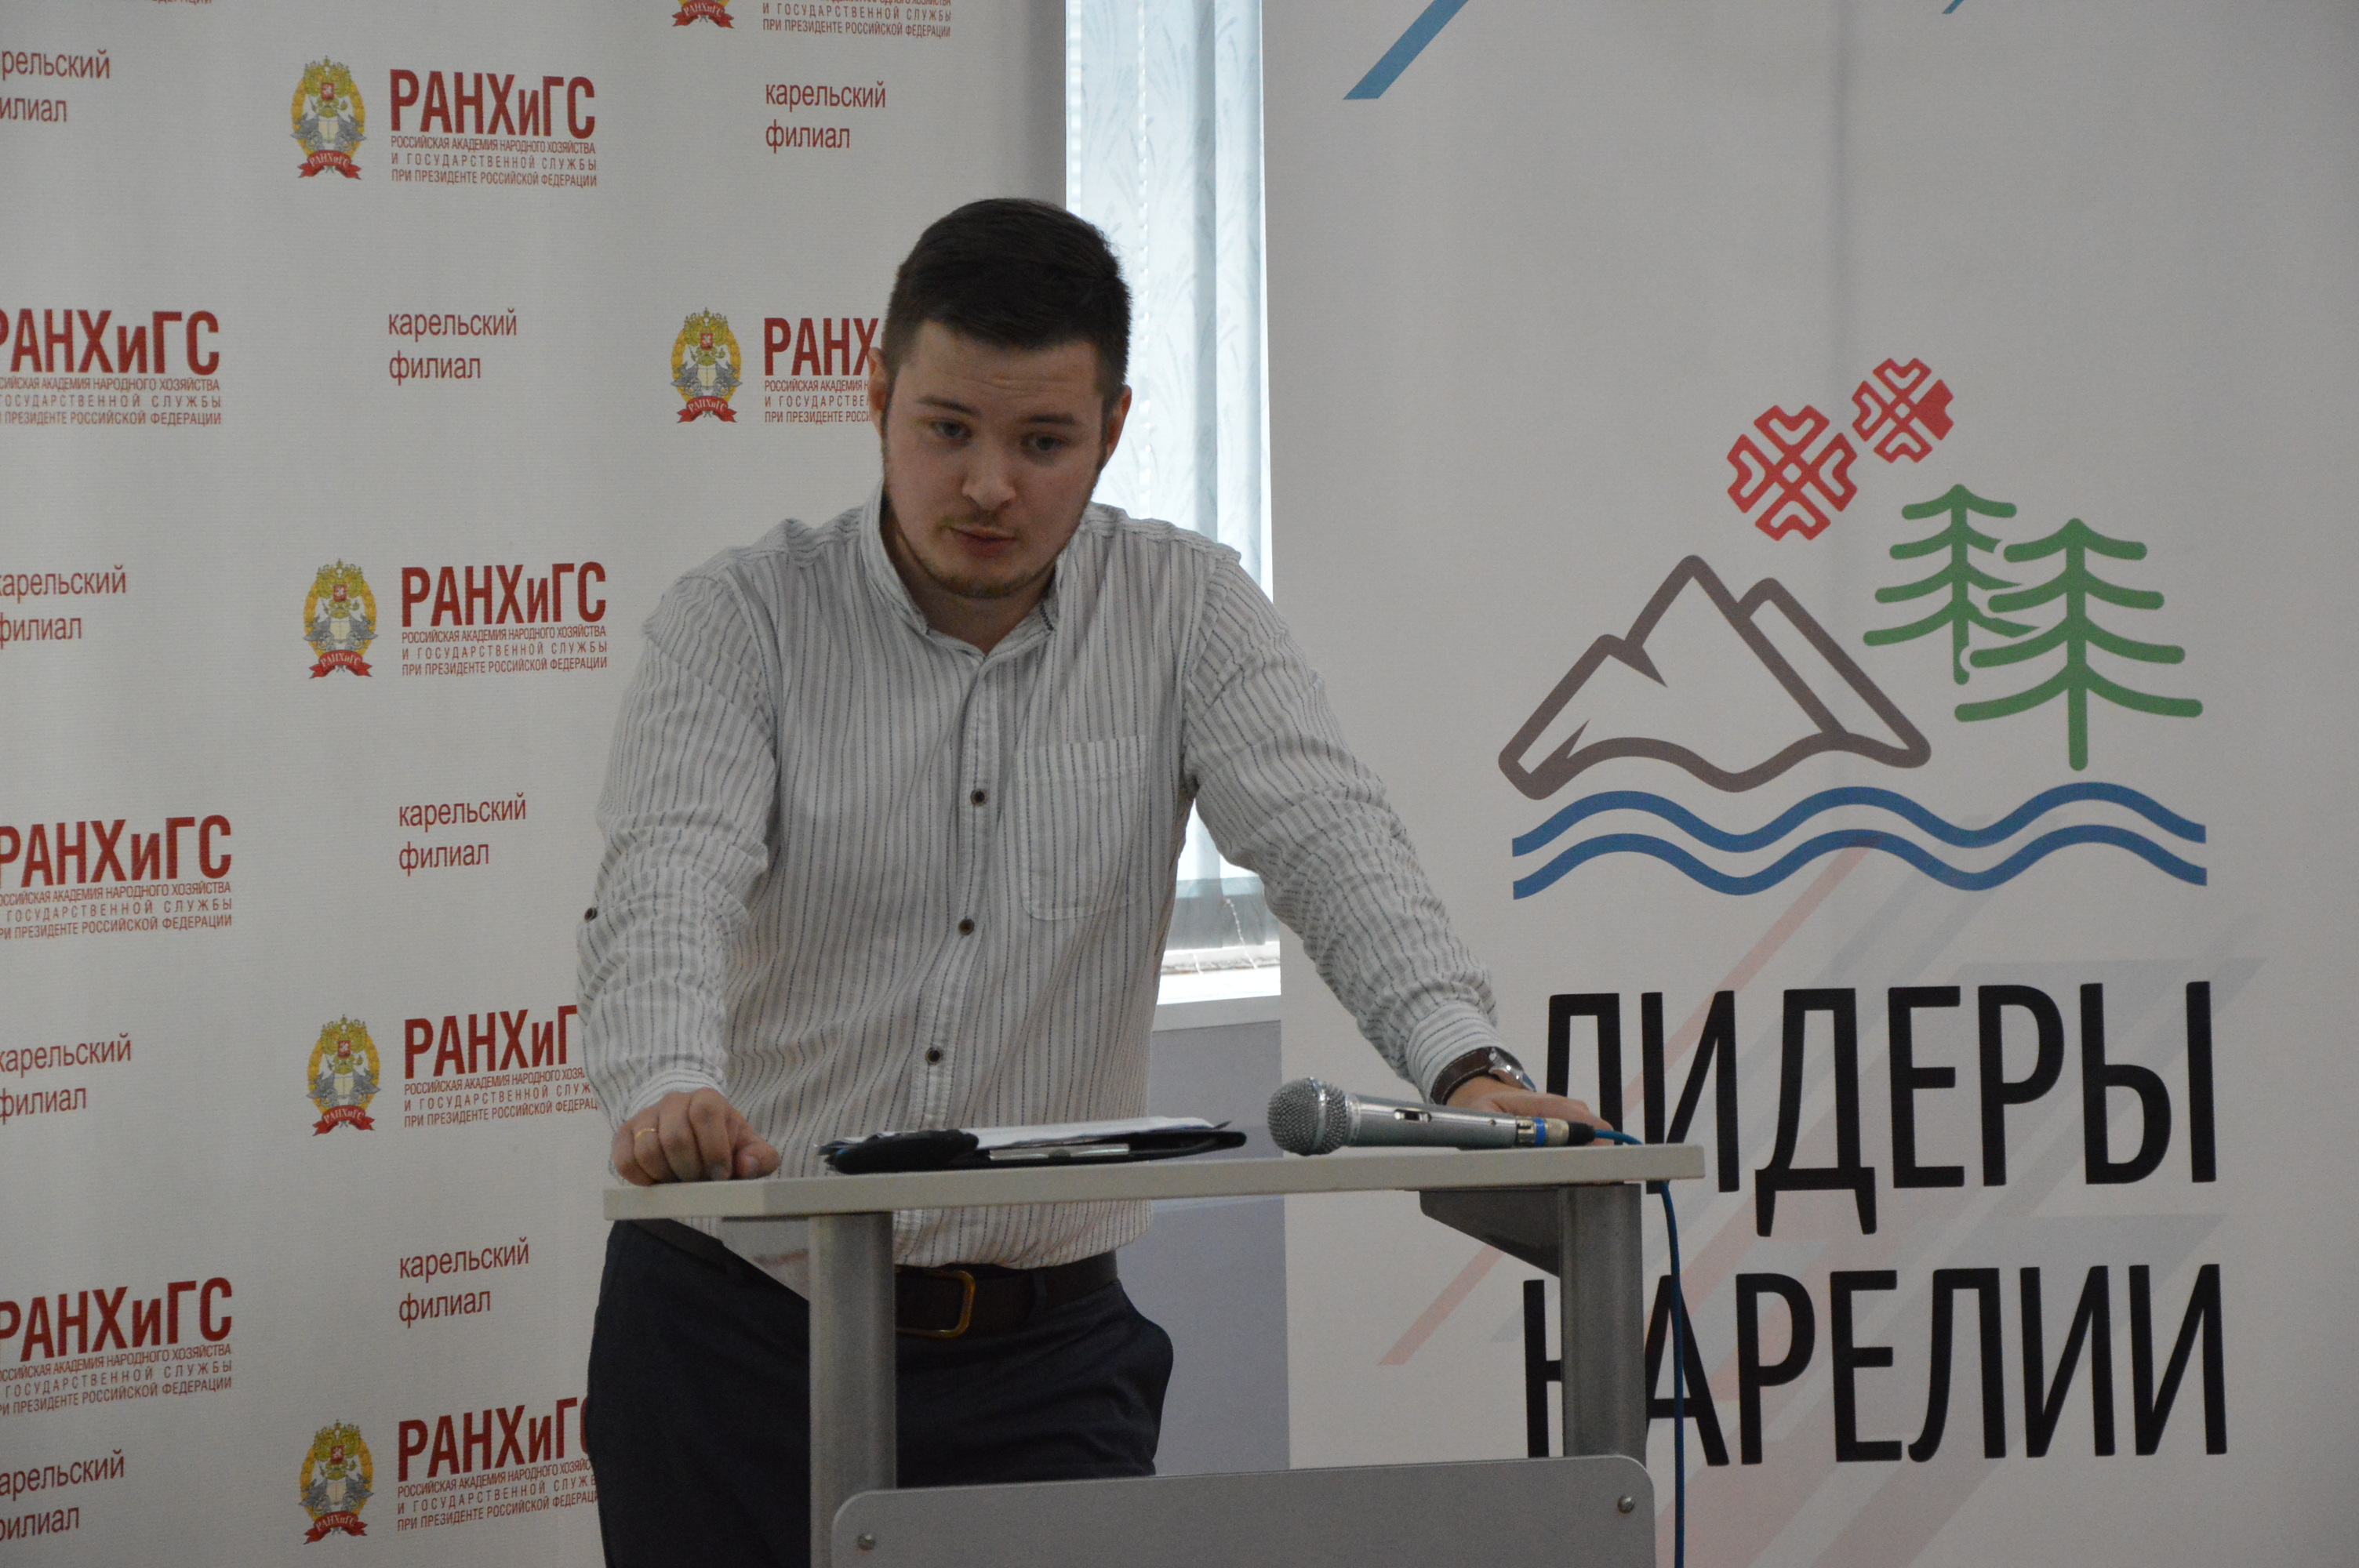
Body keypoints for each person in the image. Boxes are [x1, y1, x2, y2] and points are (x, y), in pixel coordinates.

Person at [577, 198, 1595, 1566]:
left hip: (1041, 1361)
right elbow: (665, 883)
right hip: (733, 1336)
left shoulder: (1189, 608)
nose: (990, 486)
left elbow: (1336, 845)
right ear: (875, 396)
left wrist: (1465, 1067)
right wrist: (666, 1083)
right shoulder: (739, 620)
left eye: (1043, 443)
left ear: (1113, 429)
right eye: (948, 429)